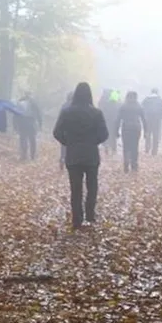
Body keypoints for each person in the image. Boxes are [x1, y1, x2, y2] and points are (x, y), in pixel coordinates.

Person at [53, 82, 108, 229]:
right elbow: (104, 134)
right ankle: (90, 215)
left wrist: (68, 142)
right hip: (91, 155)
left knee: (75, 188)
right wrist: (93, 142)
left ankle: (77, 219)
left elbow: (56, 132)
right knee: (92, 186)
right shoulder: (96, 113)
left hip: (73, 155)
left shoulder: (66, 112)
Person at [115, 91, 146, 173]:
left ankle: (126, 164)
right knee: (135, 147)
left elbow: (118, 119)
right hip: (136, 128)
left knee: (126, 147)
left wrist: (116, 131)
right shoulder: (139, 106)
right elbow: (144, 119)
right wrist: (146, 131)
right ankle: (134, 165)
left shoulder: (123, 106)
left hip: (126, 128)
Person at [16, 91, 43, 161]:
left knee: (23, 139)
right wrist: (40, 123)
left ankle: (24, 155)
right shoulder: (33, 102)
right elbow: (38, 113)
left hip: (22, 123)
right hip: (31, 122)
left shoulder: (20, 101)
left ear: (24, 94)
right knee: (32, 139)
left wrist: (15, 125)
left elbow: (16, 114)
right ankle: (32, 156)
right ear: (30, 94)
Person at [141, 88, 162, 155]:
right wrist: (161, 117)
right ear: (157, 92)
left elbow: (141, 109)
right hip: (157, 120)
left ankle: (147, 148)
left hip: (148, 119)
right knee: (156, 135)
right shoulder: (160, 100)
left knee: (148, 133)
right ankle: (154, 151)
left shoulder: (146, 99)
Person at [98, 89, 119, 156]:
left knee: (106, 133)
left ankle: (106, 145)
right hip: (113, 119)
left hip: (105, 119)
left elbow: (100, 109)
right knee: (113, 134)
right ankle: (113, 149)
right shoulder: (114, 100)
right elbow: (117, 108)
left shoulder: (102, 100)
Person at [57, 91, 73, 171]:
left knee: (64, 148)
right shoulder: (75, 106)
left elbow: (60, 118)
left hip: (65, 130)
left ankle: (62, 159)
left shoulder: (64, 105)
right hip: (73, 131)